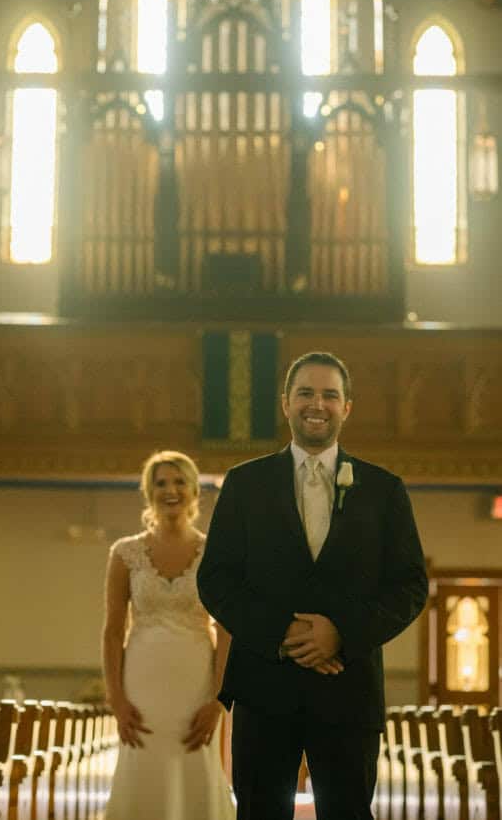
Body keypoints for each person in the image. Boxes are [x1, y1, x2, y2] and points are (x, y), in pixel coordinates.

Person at [197, 351, 428, 820]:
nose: (316, 404)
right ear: (285, 403)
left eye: (329, 394)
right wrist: (280, 633)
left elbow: (409, 585)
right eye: (305, 393)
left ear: (347, 407)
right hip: (264, 686)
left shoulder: (384, 490)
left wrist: (341, 633)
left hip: (348, 688)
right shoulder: (244, 484)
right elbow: (217, 578)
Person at [102, 450, 235, 820]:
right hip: (142, 681)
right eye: (161, 483)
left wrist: (219, 700)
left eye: (179, 482)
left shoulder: (216, 552)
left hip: (197, 680)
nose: (170, 489)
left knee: (195, 764)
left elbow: (226, 633)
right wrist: (116, 698)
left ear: (194, 491)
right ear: (149, 492)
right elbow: (113, 632)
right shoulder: (124, 553)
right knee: (143, 763)